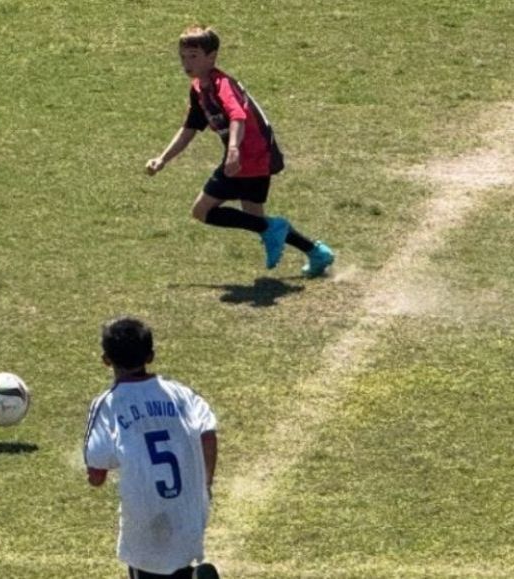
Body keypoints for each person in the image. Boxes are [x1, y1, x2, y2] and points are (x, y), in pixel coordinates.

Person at [145, 25, 334, 277]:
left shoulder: (222, 85)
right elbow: (190, 127)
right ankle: (316, 252)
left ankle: (281, 230)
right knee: (256, 219)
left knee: (202, 211)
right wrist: (162, 159)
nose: (186, 63)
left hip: (249, 156)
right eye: (183, 56)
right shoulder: (199, 88)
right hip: (257, 155)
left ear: (211, 57)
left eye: (193, 56)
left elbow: (237, 115)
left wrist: (233, 148)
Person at [84, 317, 220, 579]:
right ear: (151, 356)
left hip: (146, 521)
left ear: (105, 359)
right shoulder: (181, 394)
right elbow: (208, 434)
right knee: (176, 566)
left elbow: (96, 476)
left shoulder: (108, 405)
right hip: (190, 511)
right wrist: (205, 485)